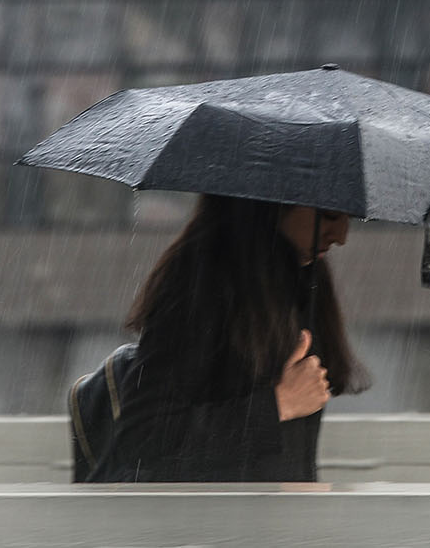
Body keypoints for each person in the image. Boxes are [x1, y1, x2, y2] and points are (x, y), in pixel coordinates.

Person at [103, 193, 369, 482]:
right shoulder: (200, 281)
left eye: (349, 218)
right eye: (329, 214)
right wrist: (279, 404)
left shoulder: (303, 277)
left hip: (274, 520)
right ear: (273, 202)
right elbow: (144, 437)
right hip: (211, 522)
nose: (341, 236)